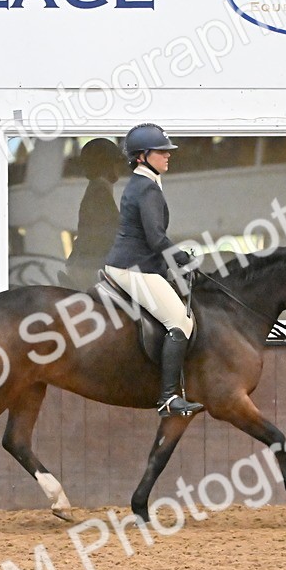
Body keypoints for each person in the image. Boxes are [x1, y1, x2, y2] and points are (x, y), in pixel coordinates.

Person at [103, 123, 204, 417]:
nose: (167, 156)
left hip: (139, 264)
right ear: (142, 156)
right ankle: (168, 398)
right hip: (134, 268)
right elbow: (156, 239)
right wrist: (183, 258)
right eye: (161, 152)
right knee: (180, 323)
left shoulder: (144, 183)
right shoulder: (146, 188)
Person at [64, 138, 122, 290]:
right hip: (91, 268)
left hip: (87, 264)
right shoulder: (99, 192)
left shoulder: (98, 190)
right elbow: (107, 233)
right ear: (106, 164)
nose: (119, 168)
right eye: (116, 162)